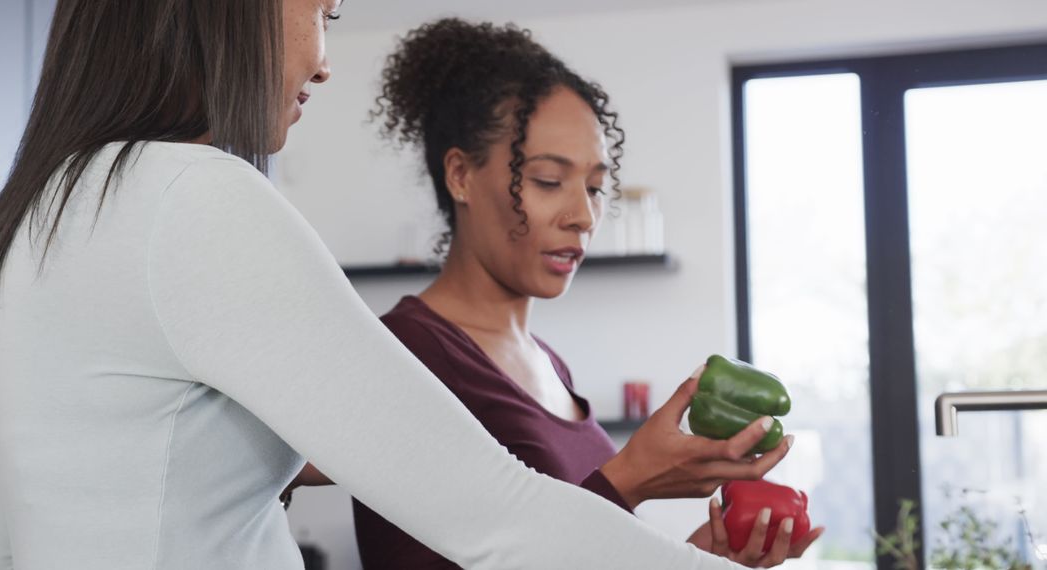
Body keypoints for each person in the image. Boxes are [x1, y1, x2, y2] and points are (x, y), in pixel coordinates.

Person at [0, 1, 785, 569]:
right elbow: (496, 516)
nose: (323, 63)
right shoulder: (192, 197)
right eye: (323, 14)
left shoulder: (40, 215)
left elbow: (4, 548)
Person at [294, 18, 819, 568]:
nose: (584, 216)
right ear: (461, 176)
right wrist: (629, 479)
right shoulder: (403, 353)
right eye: (548, 181)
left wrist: (697, 558)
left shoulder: (549, 365)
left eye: (594, 187)